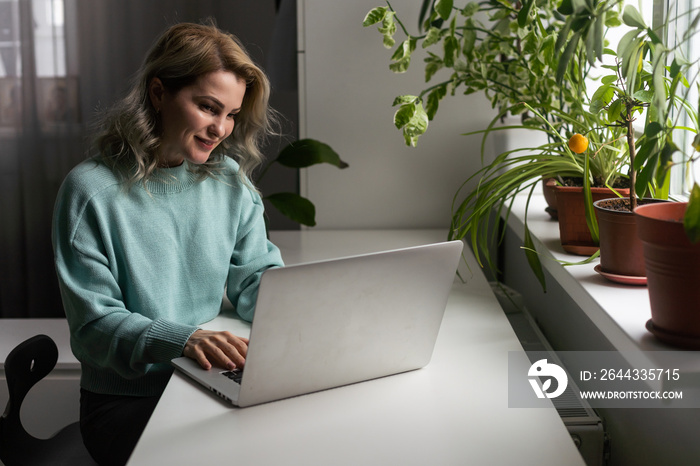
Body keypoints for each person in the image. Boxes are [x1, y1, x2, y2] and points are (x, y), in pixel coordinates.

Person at [52, 21, 284, 466]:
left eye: (232, 114)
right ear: (158, 93)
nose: (221, 129)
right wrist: (184, 339)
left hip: (202, 377)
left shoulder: (230, 183)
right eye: (208, 107)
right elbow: (93, 329)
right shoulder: (90, 192)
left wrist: (305, 311)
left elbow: (256, 278)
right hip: (126, 403)